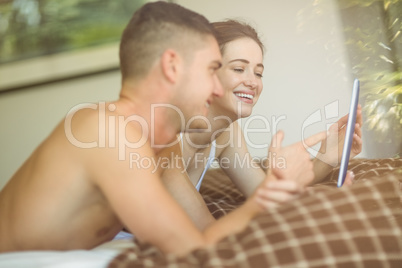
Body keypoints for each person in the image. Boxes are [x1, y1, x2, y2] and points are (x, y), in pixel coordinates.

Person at [0, 2, 315, 256]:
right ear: (172, 66)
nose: (217, 90)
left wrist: (285, 182)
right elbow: (195, 250)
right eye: (211, 70)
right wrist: (267, 196)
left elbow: (195, 237)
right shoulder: (109, 132)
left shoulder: (158, 145)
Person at [158, 20, 363, 230]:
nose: (253, 82)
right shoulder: (165, 136)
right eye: (239, 69)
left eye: (258, 73)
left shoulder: (226, 133)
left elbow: (263, 192)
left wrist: (326, 157)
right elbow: (208, 231)